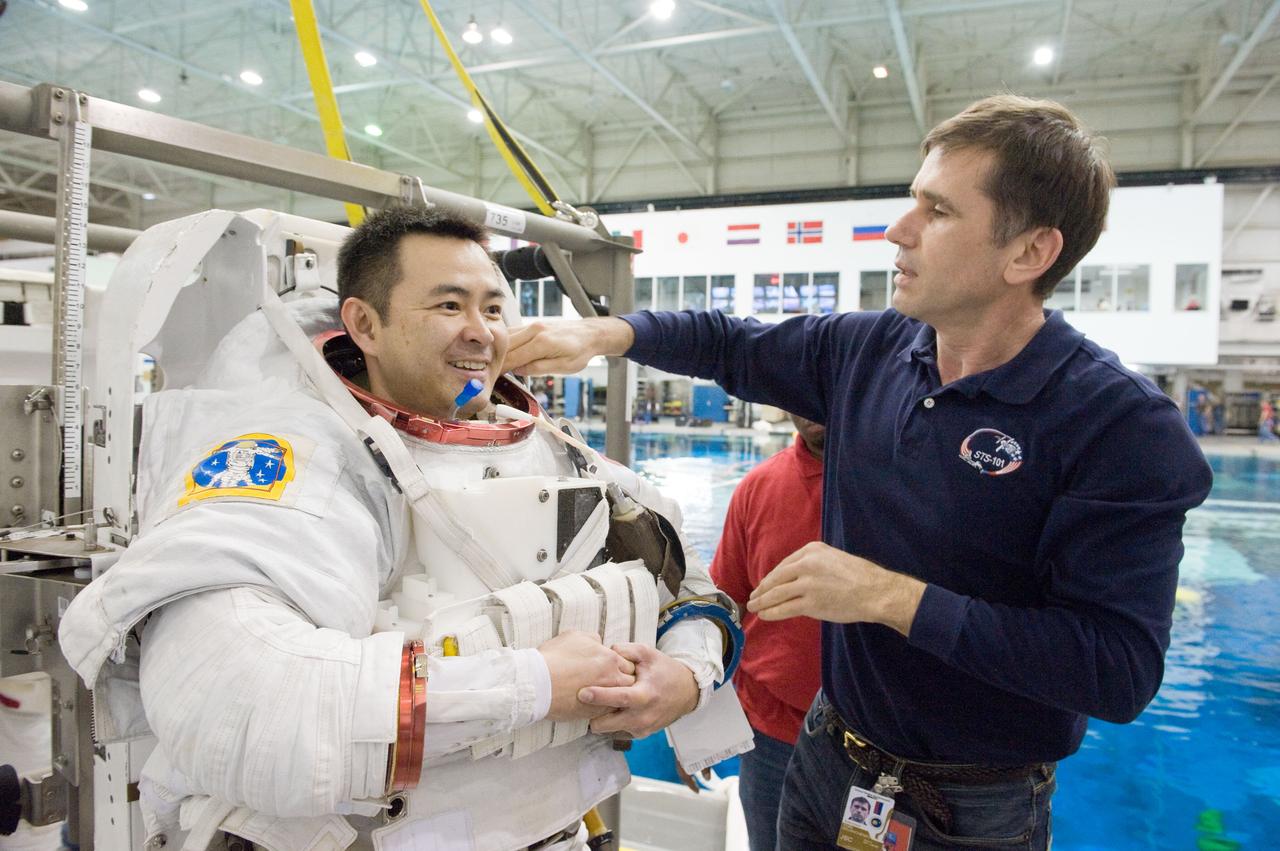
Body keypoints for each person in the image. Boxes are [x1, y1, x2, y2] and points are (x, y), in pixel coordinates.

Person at [504, 94, 1213, 850]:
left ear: (1029, 253)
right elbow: (734, 343)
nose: (897, 231)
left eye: (936, 212)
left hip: (968, 806)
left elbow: (1117, 669)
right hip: (828, 752)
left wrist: (890, 597)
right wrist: (608, 333)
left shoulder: (1117, 423)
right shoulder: (876, 349)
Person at [57, 207, 742, 851]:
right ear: (365, 324)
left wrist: (685, 674)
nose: (481, 330)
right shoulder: (299, 465)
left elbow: (696, 590)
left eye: (493, 307)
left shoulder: (555, 449)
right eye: (449, 305)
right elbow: (236, 699)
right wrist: (531, 683)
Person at [707, 413, 824, 851]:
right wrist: (701, 724)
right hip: (772, 738)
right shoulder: (759, 487)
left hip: (879, 744)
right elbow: (723, 612)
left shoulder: (898, 485)